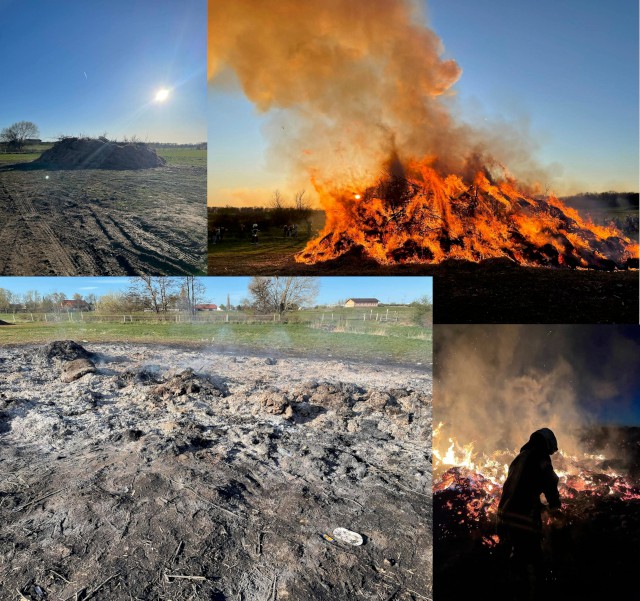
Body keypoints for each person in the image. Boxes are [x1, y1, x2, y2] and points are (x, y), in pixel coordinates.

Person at [497, 428, 561, 601]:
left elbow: (519, 487)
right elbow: (550, 482)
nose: (550, 453)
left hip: (504, 513)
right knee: (533, 556)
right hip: (523, 517)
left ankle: (515, 583)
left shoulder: (519, 458)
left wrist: (538, 504)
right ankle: (533, 591)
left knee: (517, 550)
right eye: (551, 450)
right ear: (547, 444)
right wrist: (555, 507)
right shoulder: (540, 458)